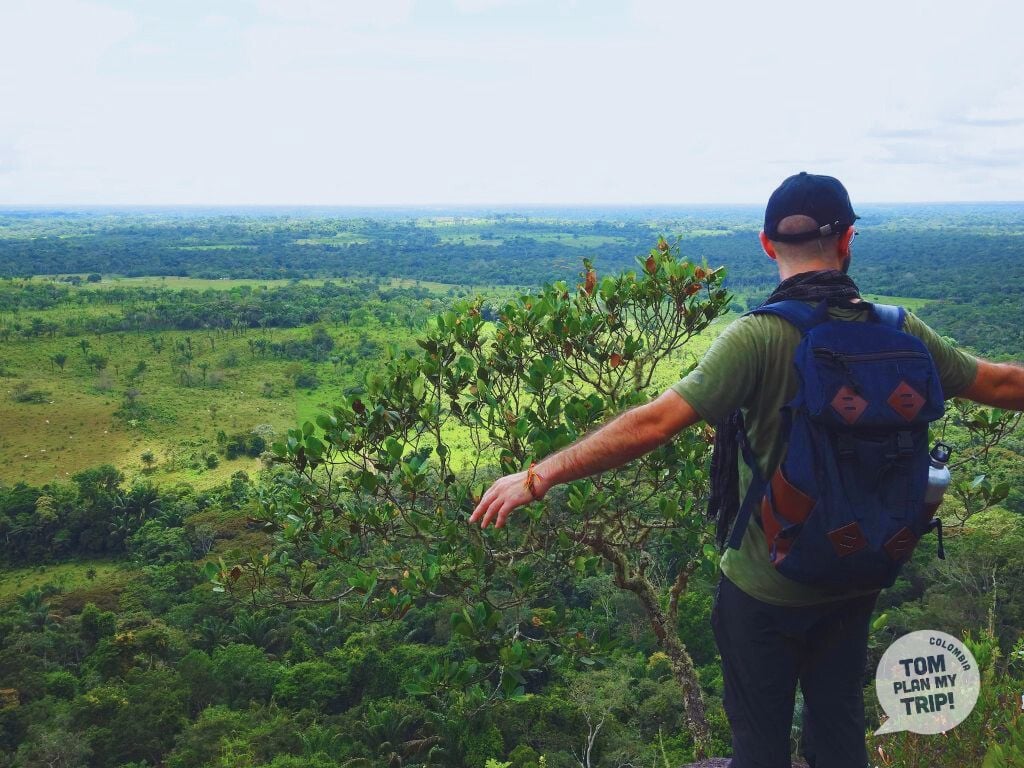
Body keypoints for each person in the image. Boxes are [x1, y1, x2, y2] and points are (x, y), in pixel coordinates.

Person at [467, 171, 1024, 768]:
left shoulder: (758, 337)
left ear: (766, 245)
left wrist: (540, 474)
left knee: (759, 748)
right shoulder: (900, 330)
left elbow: (653, 424)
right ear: (848, 240)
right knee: (838, 734)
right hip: (862, 567)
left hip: (768, 583)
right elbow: (999, 382)